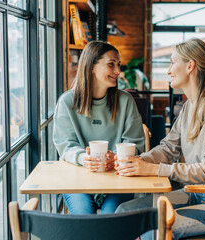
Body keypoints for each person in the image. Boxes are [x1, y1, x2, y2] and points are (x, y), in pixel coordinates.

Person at [115, 38, 205, 239]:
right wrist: (140, 161)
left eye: (172, 62)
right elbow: (169, 149)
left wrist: (155, 169)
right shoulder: (190, 106)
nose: (168, 70)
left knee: (153, 228)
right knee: (124, 213)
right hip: (196, 193)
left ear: (190, 66)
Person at [53, 40, 145, 214]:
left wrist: (116, 158)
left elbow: (135, 143)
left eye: (118, 65)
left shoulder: (125, 101)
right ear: (91, 67)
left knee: (111, 219)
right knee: (85, 219)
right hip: (78, 179)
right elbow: (65, 145)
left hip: (118, 180)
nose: (118, 71)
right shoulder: (67, 102)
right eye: (111, 65)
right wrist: (83, 159)